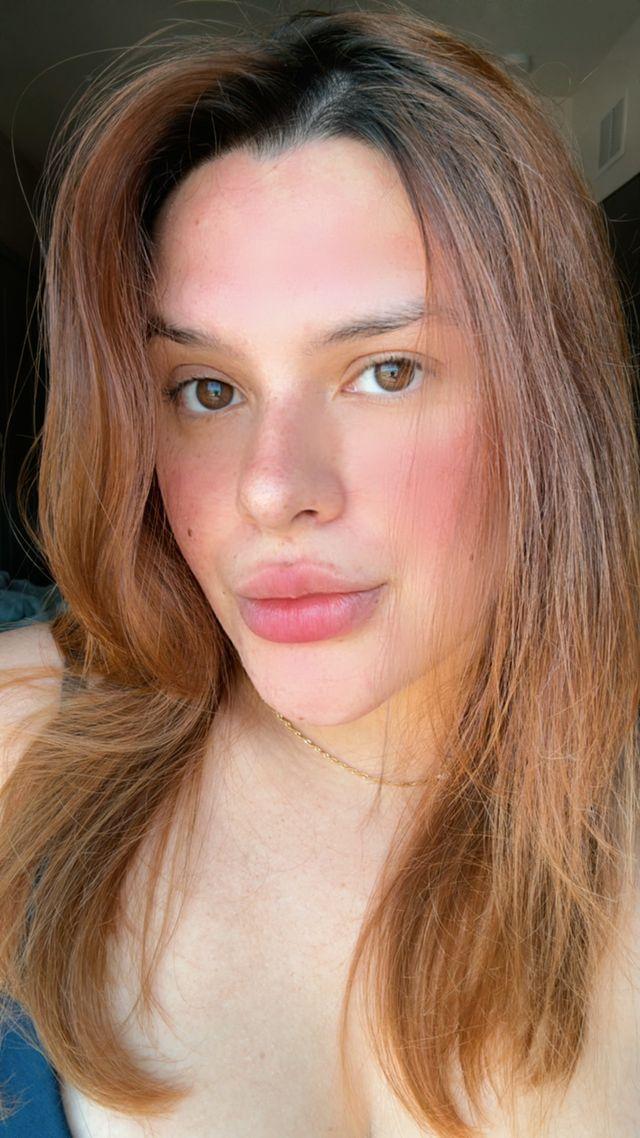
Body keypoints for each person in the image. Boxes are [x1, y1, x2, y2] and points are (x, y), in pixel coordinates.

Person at [0, 7, 638, 1137]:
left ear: (551, 407)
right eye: (207, 389)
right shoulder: (16, 747)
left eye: (385, 370)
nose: (270, 487)